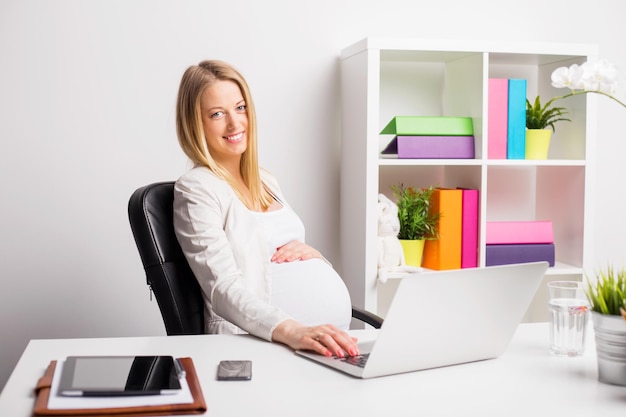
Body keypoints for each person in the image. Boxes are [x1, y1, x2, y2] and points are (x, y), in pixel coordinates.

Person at [172, 60, 360, 358]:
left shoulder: (264, 179)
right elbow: (223, 288)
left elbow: (272, 253)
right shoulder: (196, 189)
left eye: (240, 107)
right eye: (217, 114)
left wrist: (315, 257)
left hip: (328, 343)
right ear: (195, 124)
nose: (235, 124)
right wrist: (295, 331)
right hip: (264, 346)